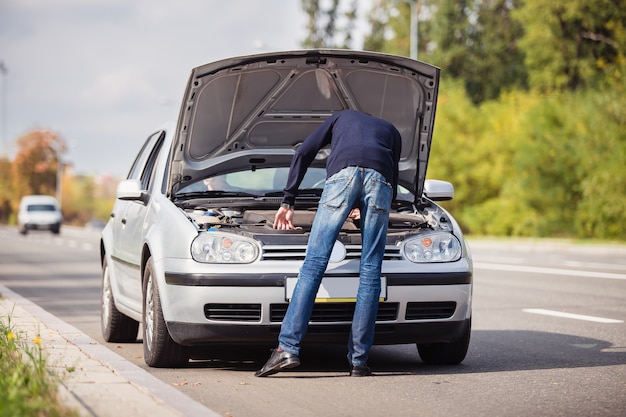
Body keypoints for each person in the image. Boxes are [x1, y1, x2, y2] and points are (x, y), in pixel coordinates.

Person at [255, 109, 402, 377]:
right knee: (370, 271)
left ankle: (286, 349)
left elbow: (302, 152)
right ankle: (359, 361)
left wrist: (288, 201)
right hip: (380, 183)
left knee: (314, 265)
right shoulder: (390, 129)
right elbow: (390, 178)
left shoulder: (340, 117)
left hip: (342, 178)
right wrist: (363, 204)